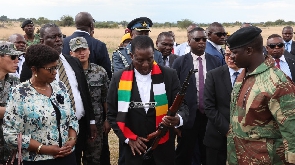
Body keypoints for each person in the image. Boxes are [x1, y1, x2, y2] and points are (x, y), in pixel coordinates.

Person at [20, 23, 96, 165]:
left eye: (59, 36)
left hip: (77, 126)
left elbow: (84, 92)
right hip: (46, 131)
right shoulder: (31, 66)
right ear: (42, 41)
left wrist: (91, 120)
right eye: (52, 37)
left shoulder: (73, 61)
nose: (58, 40)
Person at [107, 35, 188, 165]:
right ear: (131, 56)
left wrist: (178, 118)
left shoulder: (169, 75)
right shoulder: (118, 78)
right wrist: (128, 139)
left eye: (150, 59)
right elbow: (112, 114)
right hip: (133, 150)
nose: (145, 65)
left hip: (163, 150)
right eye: (140, 60)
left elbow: (182, 106)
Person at [227, 26, 295, 165]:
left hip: (264, 159)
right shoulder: (243, 74)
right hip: (238, 156)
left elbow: (291, 129)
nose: (231, 57)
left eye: (234, 52)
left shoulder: (277, 81)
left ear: (249, 51)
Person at [3, 44, 78, 164]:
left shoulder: (60, 87)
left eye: (56, 67)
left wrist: (72, 139)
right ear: (34, 69)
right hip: (38, 159)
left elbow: (72, 118)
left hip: (67, 156)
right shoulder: (20, 93)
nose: (55, 72)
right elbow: (11, 134)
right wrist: (44, 149)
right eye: (50, 69)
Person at [172, 27, 222, 165]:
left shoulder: (215, 61)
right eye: (197, 39)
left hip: (209, 117)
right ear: (189, 41)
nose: (201, 42)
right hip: (188, 118)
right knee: (184, 154)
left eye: (204, 39)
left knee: (208, 154)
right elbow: (174, 91)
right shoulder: (180, 62)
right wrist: (175, 121)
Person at [69, 37, 110, 165]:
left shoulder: (100, 72)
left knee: (93, 158)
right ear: (71, 53)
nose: (81, 53)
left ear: (89, 51)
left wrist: (107, 119)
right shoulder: (68, 73)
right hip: (75, 123)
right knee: (74, 157)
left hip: (97, 123)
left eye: (84, 49)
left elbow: (106, 98)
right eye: (77, 50)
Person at [203, 45, 242, 165]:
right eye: (227, 54)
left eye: (233, 54)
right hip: (217, 136)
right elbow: (209, 107)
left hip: (244, 137)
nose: (229, 58)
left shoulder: (251, 75)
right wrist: (228, 130)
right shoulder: (213, 75)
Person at [62, 12, 112, 80]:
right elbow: (107, 73)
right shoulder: (99, 45)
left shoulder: (63, 43)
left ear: (76, 24)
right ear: (91, 25)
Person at [0, 41, 22, 164]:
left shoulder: (15, 81)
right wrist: (15, 112)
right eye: (12, 57)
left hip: (10, 149)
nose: (17, 61)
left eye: (18, 57)